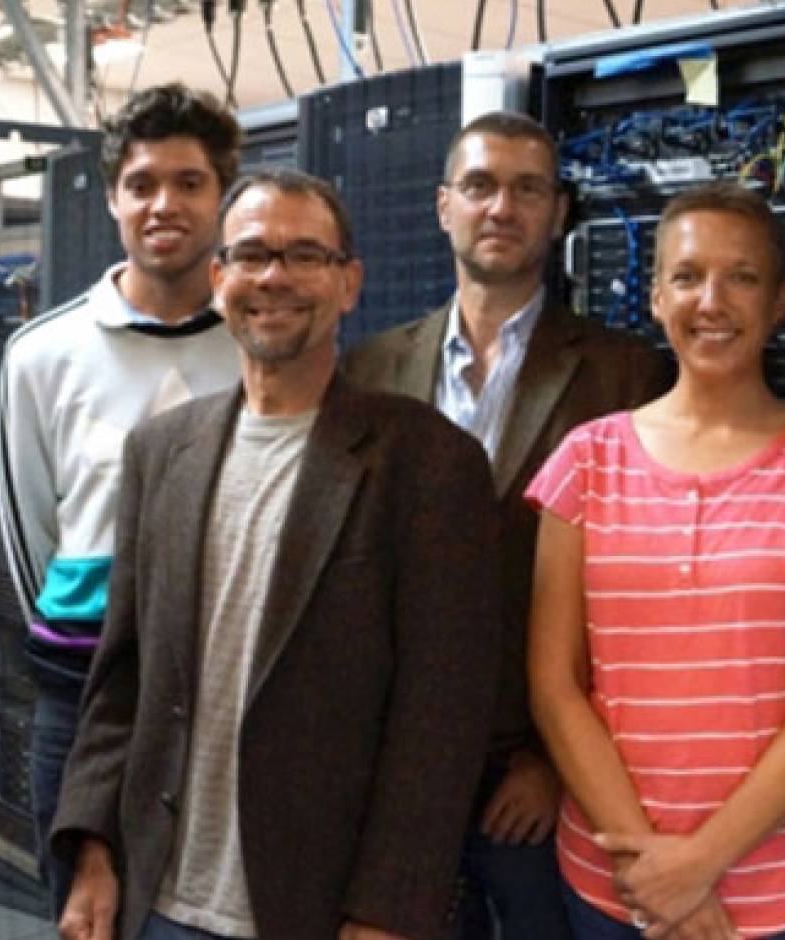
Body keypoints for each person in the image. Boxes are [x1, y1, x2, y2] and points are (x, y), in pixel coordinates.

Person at [50, 169, 501, 940]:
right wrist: (94, 848)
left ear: (349, 283)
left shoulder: (427, 462)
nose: (275, 278)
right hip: (159, 894)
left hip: (322, 905)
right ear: (219, 278)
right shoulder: (162, 451)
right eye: (252, 255)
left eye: (305, 256)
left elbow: (441, 717)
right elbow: (121, 677)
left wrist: (388, 908)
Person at [343, 109, 668, 938]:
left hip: (531, 778)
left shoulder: (625, 373)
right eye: (481, 186)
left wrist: (556, 763)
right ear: (443, 204)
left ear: (559, 213)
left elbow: (637, 603)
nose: (503, 207)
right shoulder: (368, 370)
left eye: (529, 189)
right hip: (396, 770)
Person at [527, 181, 785, 939]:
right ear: (655, 296)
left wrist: (702, 862)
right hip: (620, 890)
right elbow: (556, 685)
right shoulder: (585, 462)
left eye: (742, 277)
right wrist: (658, 879)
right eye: (687, 276)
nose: (711, 300)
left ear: (781, 301)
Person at [0, 82, 243, 914]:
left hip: (227, 692)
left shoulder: (263, 345)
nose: (163, 203)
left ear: (221, 197)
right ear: (112, 199)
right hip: (85, 692)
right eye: (141, 184)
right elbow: (32, 534)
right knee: (86, 909)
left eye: (189, 182)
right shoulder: (42, 354)